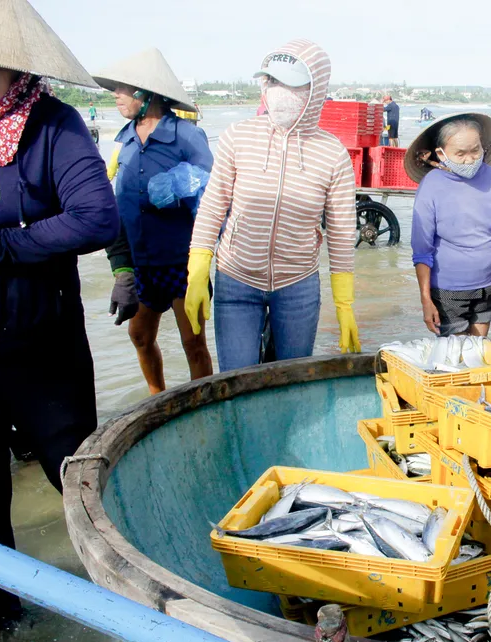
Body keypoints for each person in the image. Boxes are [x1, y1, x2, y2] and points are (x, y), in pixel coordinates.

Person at [0, 0, 119, 642]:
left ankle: (133, 605)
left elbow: (95, 219)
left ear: (15, 63)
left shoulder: (53, 127)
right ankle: (2, 621)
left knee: (80, 482)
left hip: (44, 349)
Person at [185, 39, 361, 370]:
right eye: (272, 81)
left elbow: (340, 230)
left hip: (298, 286)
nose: (277, 91)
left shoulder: (332, 153)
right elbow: (213, 205)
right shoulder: (237, 136)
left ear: (315, 88)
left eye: (289, 83)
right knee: (237, 382)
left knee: (290, 382)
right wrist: (197, 269)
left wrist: (344, 302)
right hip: (236, 279)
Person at [94, 48, 214, 395]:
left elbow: (213, 187)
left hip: (182, 261)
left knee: (193, 342)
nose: (116, 94)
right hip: (141, 262)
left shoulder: (186, 135)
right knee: (140, 336)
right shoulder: (125, 141)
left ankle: (202, 406)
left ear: (147, 94)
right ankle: (155, 399)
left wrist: (182, 185)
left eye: (123, 88)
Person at [406, 112, 491, 337]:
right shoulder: (431, 186)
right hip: (448, 290)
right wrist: (425, 299)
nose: (469, 160)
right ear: (441, 153)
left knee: (478, 350)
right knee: (454, 357)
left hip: (487, 283)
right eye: (460, 154)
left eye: (475, 151)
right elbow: (422, 250)